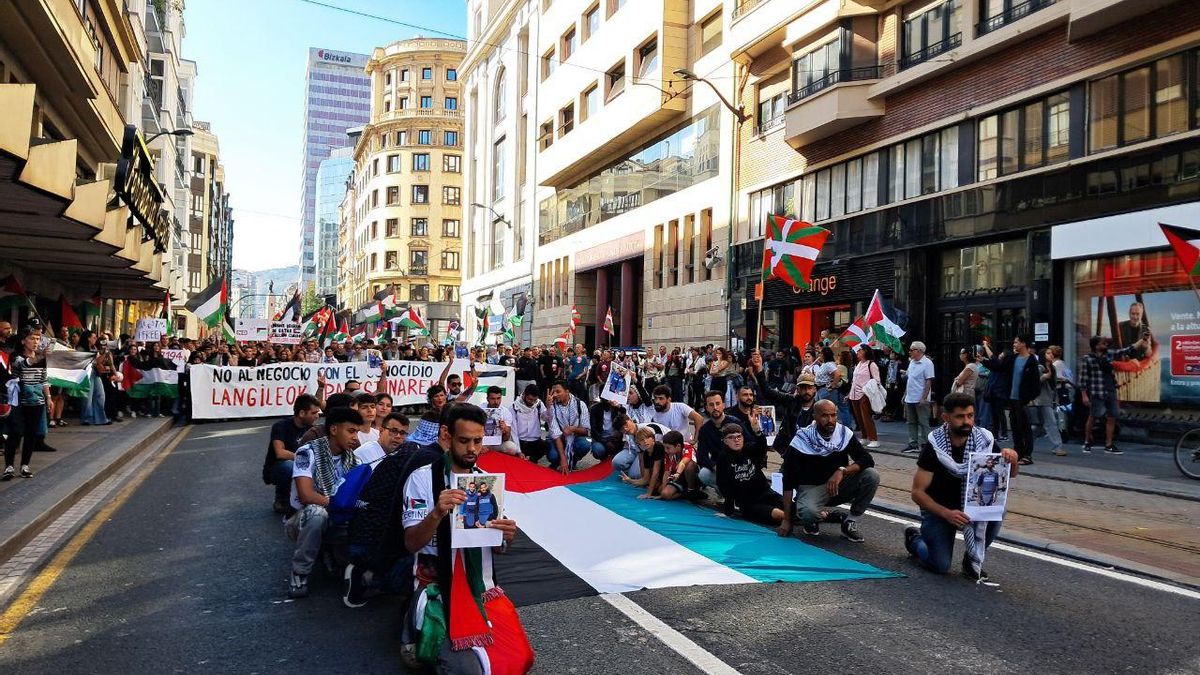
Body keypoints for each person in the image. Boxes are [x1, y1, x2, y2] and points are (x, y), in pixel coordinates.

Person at [401, 404, 532, 675]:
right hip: (438, 588)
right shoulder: (423, 479)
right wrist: (437, 513)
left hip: (480, 589)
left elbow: (497, 550)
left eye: (478, 440)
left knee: (521, 660)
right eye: (464, 441)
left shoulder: (487, 481)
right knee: (469, 670)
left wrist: (506, 536)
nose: (472, 448)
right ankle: (418, 632)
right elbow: (411, 543)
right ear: (447, 436)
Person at [905, 392, 1020, 581]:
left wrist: (1012, 459)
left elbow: (1011, 473)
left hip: (971, 507)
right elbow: (917, 493)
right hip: (939, 510)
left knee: (998, 510)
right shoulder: (934, 446)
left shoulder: (984, 441)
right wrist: (946, 514)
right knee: (940, 565)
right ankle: (914, 540)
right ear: (946, 417)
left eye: (970, 415)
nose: (967, 421)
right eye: (960, 417)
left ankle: (970, 560)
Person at [284, 406, 364, 599]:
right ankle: (299, 573)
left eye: (357, 432)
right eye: (351, 431)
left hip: (338, 518)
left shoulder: (355, 461)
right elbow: (306, 495)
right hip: (301, 519)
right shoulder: (307, 452)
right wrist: (338, 504)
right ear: (334, 430)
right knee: (317, 514)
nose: (355, 437)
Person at [343, 412, 418, 608]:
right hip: (362, 528)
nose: (399, 437)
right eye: (394, 431)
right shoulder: (367, 452)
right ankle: (368, 576)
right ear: (380, 431)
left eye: (403, 433)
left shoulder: (399, 455)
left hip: (372, 528)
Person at [779, 399, 878, 542]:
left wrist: (842, 471)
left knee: (871, 475)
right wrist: (787, 519)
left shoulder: (843, 433)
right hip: (811, 488)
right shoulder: (802, 439)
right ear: (815, 416)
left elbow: (867, 459)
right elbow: (787, 479)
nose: (830, 420)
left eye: (833, 415)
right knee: (808, 512)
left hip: (838, 485)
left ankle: (850, 522)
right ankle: (811, 519)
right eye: (825, 416)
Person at [1079, 333, 1149, 454]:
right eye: (1102, 343)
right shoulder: (1087, 359)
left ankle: (1109, 445)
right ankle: (1087, 441)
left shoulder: (1109, 354)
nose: (1105, 344)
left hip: (1110, 390)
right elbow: (1083, 379)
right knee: (1093, 416)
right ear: (1096, 346)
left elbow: (1127, 350)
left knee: (1112, 417)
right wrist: (1084, 395)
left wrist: (1142, 340)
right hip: (1097, 392)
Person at [981, 335, 1041, 465]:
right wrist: (983, 360)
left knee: (1025, 427)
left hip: (1023, 400)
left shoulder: (1031, 361)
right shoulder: (1013, 358)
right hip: (1012, 399)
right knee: (1015, 426)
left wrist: (1031, 398)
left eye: (1016, 342)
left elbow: (1035, 383)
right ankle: (1018, 452)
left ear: (1024, 344)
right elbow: (999, 366)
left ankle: (1027, 455)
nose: (1014, 344)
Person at [716, 423, 785, 527]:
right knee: (780, 515)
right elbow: (723, 485)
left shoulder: (749, 449)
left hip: (764, 492)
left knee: (791, 507)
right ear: (725, 441)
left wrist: (757, 431)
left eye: (739, 436)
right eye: (731, 437)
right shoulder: (723, 458)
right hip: (748, 502)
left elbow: (761, 446)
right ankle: (788, 521)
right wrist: (728, 511)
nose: (736, 440)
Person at [263, 394, 323, 514]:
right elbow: (280, 453)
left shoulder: (312, 430)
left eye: (318, 413)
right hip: (277, 468)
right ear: (302, 413)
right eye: (314, 413)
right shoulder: (280, 426)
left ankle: (309, 498)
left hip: (302, 465)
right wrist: (305, 459)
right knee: (290, 467)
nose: (317, 416)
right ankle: (282, 500)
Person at [4, 328, 49, 479]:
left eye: (38, 339)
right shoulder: (16, 357)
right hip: (19, 401)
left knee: (31, 434)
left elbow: (44, 379)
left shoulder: (41, 358)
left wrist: (48, 397)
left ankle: (25, 466)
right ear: (23, 341)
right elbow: (24, 365)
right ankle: (9, 466)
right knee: (15, 432)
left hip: (36, 401)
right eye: (32, 339)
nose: (36, 342)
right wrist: (41, 355)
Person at [696, 390, 758, 489]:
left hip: (739, 465)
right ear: (707, 408)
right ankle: (722, 491)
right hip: (719, 466)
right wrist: (714, 466)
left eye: (718, 404)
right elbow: (701, 456)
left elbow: (750, 444)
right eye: (711, 405)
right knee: (704, 474)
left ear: (723, 405)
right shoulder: (704, 430)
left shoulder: (736, 422)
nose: (715, 408)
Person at [547, 380, 601, 473]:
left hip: (574, 438)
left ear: (567, 391)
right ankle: (557, 462)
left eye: (558, 391)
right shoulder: (552, 406)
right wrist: (563, 459)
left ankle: (573, 461)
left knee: (585, 445)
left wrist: (573, 429)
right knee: (553, 455)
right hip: (559, 438)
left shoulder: (580, 404)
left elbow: (586, 430)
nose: (555, 395)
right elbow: (555, 435)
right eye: (553, 392)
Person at [902, 341, 935, 454]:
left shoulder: (927, 363)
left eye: (912, 350)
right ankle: (913, 444)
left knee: (923, 421)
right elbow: (910, 379)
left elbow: (928, 381)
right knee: (911, 422)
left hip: (920, 397)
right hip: (910, 397)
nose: (910, 352)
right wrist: (905, 394)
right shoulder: (912, 362)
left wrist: (924, 398)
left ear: (919, 351)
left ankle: (926, 444)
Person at [1032, 350, 1065, 457]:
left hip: (1049, 399)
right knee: (1051, 423)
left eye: (1051, 353)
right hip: (1041, 399)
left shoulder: (1053, 368)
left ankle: (1026, 442)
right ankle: (1057, 447)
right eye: (1048, 353)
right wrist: (1045, 376)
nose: (1051, 355)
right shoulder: (1040, 367)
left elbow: (1053, 385)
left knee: (1039, 426)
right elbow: (1035, 381)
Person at [848, 346, 881, 448]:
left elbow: (877, 380)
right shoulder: (858, 364)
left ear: (866, 352)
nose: (857, 352)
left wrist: (866, 389)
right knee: (858, 418)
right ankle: (864, 436)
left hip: (865, 394)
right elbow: (854, 381)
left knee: (866, 417)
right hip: (854, 394)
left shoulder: (871, 364)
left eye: (860, 350)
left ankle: (873, 438)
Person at [656, 430, 701, 501]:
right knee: (663, 492)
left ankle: (691, 490)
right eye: (665, 447)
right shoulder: (668, 453)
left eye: (668, 448)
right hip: (679, 478)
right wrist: (662, 492)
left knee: (689, 465)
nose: (665, 450)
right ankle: (685, 493)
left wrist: (677, 474)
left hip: (693, 476)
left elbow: (683, 463)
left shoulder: (688, 447)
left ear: (678, 446)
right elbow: (666, 472)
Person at [509, 384, 549, 462]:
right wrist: (519, 451)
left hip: (535, 442)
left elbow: (546, 418)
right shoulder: (513, 407)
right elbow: (513, 431)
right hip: (521, 442)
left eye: (534, 400)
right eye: (530, 399)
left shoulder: (539, 404)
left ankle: (532, 459)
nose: (532, 402)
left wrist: (549, 408)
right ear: (524, 394)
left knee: (549, 446)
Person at [482, 386, 520, 456]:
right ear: (487, 399)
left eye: (498, 398)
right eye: (493, 399)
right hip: (481, 442)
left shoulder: (506, 412)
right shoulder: (480, 409)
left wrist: (506, 429)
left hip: (497, 443)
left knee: (512, 447)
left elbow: (506, 438)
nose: (496, 402)